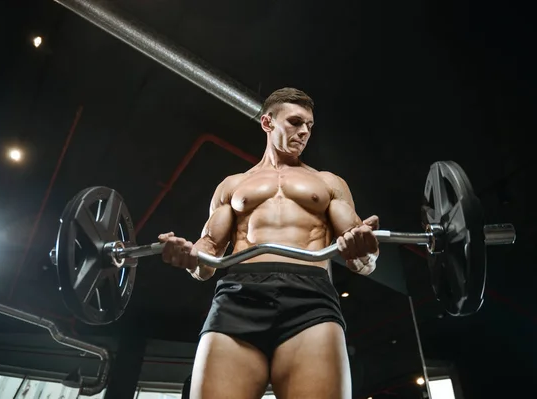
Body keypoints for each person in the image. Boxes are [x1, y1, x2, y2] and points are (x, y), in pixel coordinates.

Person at [158, 87, 380, 399]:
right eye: (295, 122)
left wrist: (366, 254)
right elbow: (208, 253)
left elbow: (360, 255)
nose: (304, 132)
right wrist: (190, 257)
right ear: (267, 123)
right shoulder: (233, 185)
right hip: (238, 296)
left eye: (309, 126)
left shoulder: (328, 183)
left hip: (310, 298)